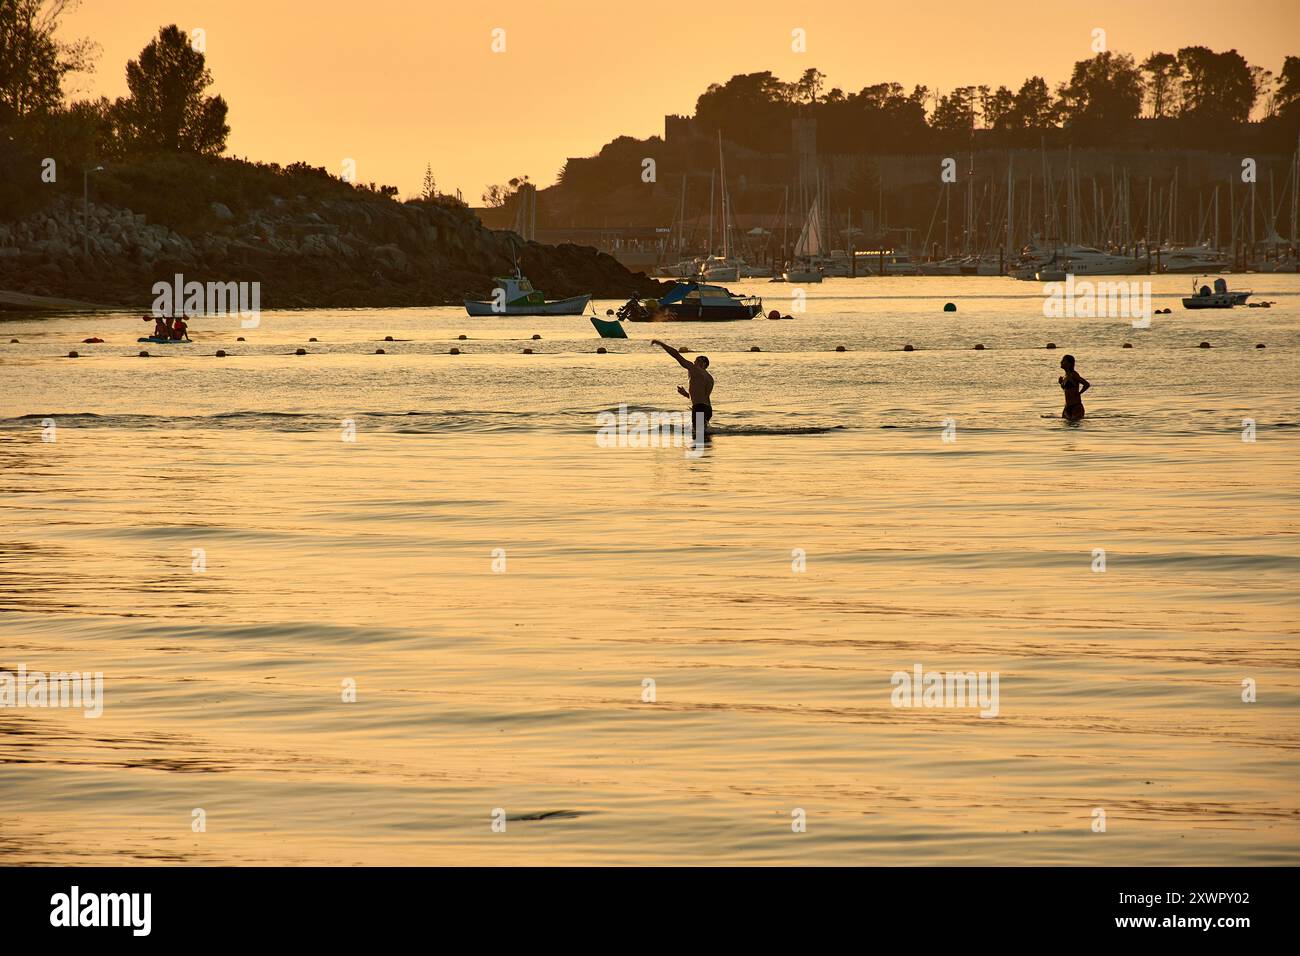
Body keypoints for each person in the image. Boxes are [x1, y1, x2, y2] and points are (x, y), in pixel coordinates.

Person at [651, 338, 713, 434]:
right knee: (702, 434)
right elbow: (701, 397)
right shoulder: (710, 378)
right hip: (708, 409)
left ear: (703, 364)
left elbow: (676, 355)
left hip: (699, 408)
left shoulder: (694, 369)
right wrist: (685, 394)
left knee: (698, 436)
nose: (693, 363)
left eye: (696, 361)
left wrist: (661, 344)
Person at [1058, 354, 1090, 421]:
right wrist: (1061, 383)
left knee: (1074, 427)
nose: (1061, 362)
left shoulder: (1074, 374)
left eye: (1063, 361)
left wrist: (1079, 393)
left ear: (1069, 364)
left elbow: (1086, 384)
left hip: (1076, 406)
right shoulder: (1065, 376)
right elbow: (1067, 389)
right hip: (1067, 407)